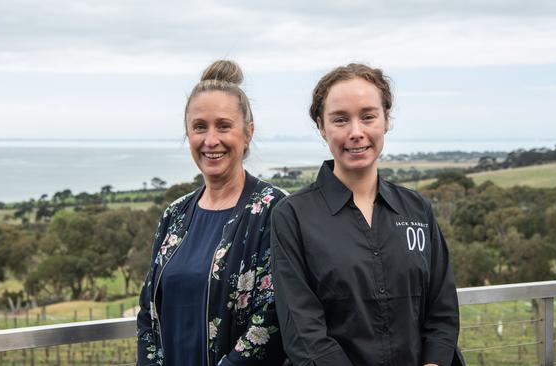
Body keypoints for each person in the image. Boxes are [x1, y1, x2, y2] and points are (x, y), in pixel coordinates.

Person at [270, 63, 463, 366]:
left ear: (386, 120)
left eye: (368, 116)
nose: (356, 132)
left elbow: (442, 310)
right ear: (322, 127)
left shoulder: (418, 210)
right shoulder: (292, 216)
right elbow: (303, 330)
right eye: (340, 120)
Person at [137, 60, 286, 366]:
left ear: (248, 133)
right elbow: (147, 315)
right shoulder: (174, 215)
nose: (211, 140)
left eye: (224, 125)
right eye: (200, 127)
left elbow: (274, 315)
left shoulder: (274, 209)